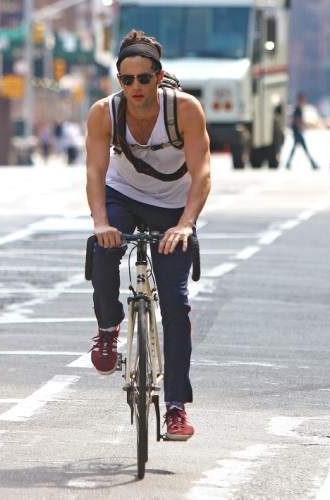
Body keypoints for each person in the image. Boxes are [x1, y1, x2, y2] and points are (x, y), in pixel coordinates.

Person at [85, 29, 211, 441]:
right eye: (127, 79)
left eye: (143, 78)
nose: (135, 87)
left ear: (159, 76)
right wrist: (101, 223)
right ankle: (108, 328)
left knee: (175, 303)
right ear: (119, 81)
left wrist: (185, 224)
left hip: (174, 207)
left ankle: (176, 407)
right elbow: (94, 173)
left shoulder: (185, 109)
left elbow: (203, 173)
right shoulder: (105, 112)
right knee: (104, 251)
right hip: (123, 196)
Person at [285, 92, 319, 170]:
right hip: (297, 132)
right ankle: (313, 164)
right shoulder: (298, 108)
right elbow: (296, 120)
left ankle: (288, 163)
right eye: (303, 98)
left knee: (296, 149)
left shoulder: (299, 108)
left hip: (297, 131)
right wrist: (301, 127)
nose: (304, 100)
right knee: (304, 149)